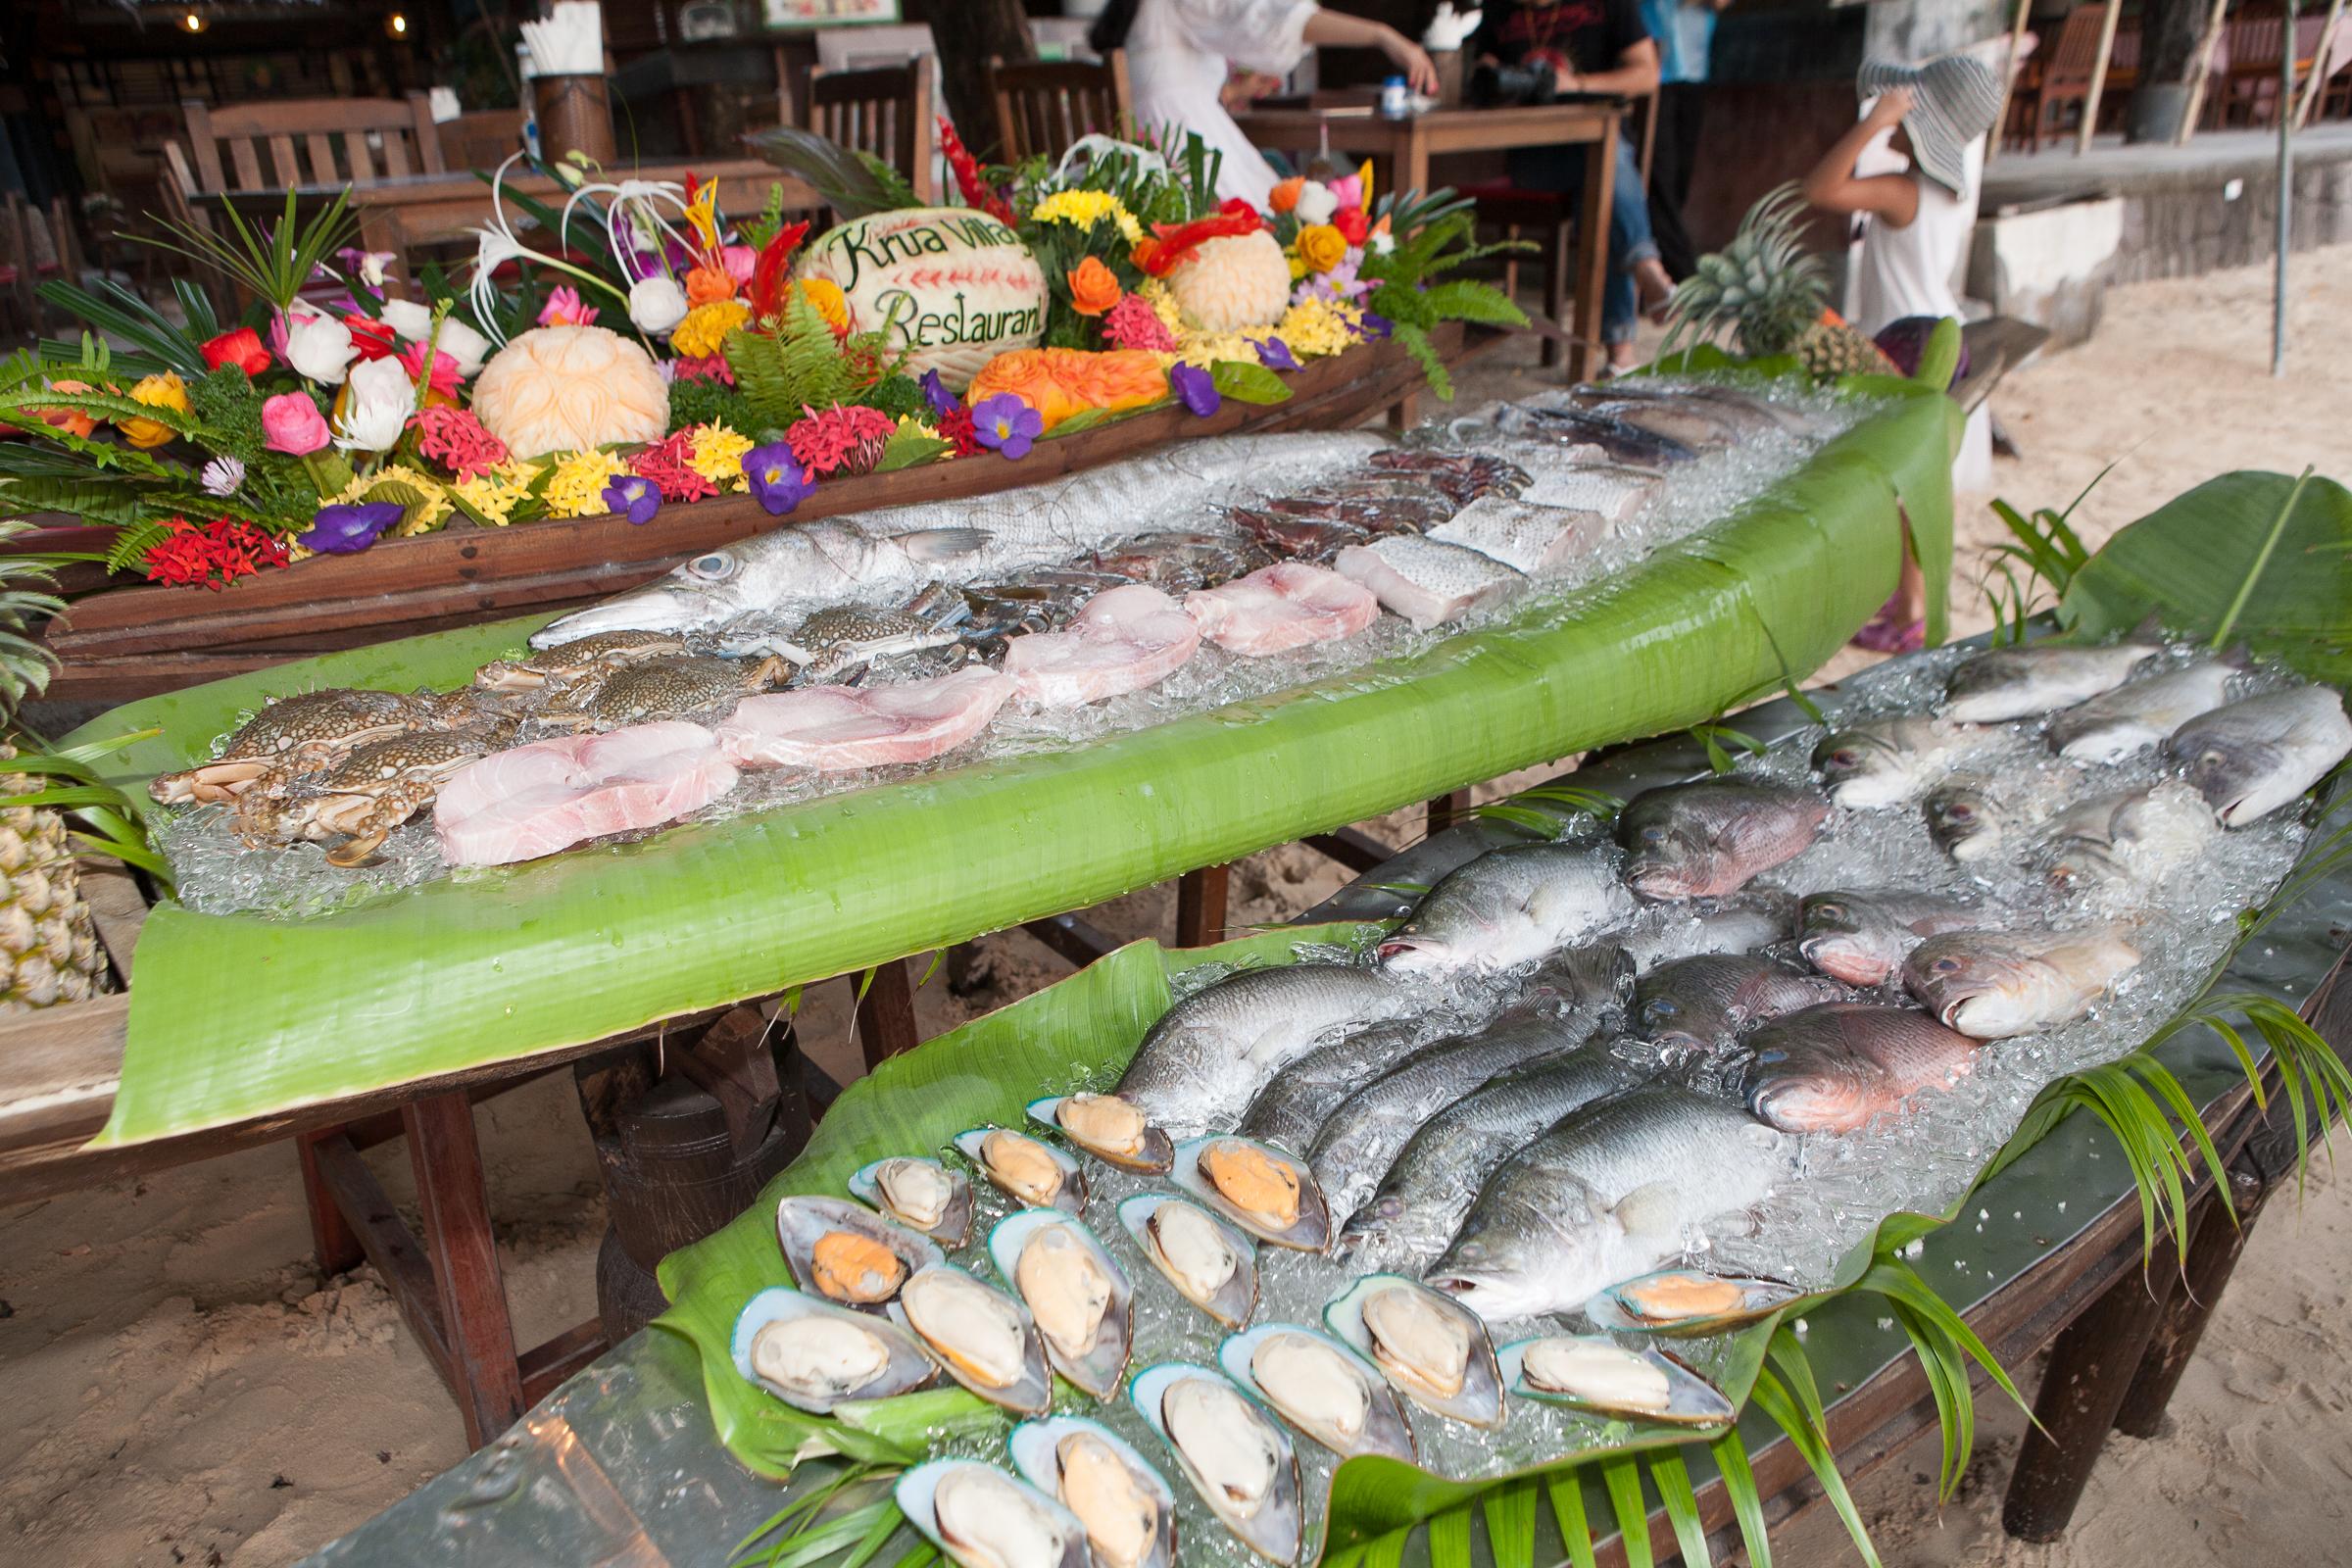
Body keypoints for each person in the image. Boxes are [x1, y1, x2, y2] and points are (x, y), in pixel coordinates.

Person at [1801, 52, 2000, 652]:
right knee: (1918, 483)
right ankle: (1906, 599)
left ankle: (1911, 611)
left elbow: (1820, 189)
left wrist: (1872, 124)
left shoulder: (1902, 190)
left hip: (1909, 342)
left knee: (1908, 487)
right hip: (1939, 332)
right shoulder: (1945, 193)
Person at [1470, 0, 1674, 372]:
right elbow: (1482, 78)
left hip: (1600, 152)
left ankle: (1622, 342)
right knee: (1602, 180)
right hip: (1533, 159)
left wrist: (1578, 85)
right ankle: (1641, 282)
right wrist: (1494, 79)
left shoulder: (1611, 6)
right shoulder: (1500, 10)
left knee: (1599, 179)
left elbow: (1647, 73)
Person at [1089, 1, 1440, 210]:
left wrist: (1232, 92)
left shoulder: (1139, 11)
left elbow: (1166, 82)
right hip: (1183, 153)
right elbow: (1275, 20)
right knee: (1285, 218)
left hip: (1139, 153)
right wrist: (1382, 35)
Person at [1638, 0, 1731, 280]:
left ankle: (1659, 273)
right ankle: (1686, 277)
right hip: (1648, 71)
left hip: (1693, 68)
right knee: (1658, 178)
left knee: (1678, 180)